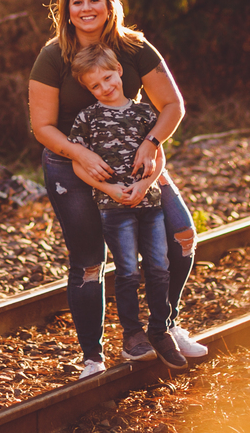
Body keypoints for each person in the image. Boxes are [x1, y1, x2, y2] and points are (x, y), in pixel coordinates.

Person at [28, 0, 207, 380]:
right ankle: (92, 356)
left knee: (181, 236)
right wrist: (80, 155)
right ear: (67, 12)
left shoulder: (134, 48)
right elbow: (43, 127)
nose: (87, 8)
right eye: (77, 2)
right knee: (91, 261)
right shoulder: (52, 56)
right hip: (70, 167)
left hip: (136, 161)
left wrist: (151, 144)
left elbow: (172, 106)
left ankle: (166, 325)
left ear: (110, 6)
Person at [67, 44, 185, 369]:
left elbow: (158, 157)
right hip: (114, 207)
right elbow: (79, 164)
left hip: (151, 205)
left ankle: (160, 329)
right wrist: (109, 189)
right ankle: (132, 335)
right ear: (87, 89)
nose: (105, 88)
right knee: (129, 272)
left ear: (119, 71)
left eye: (108, 78)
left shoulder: (146, 113)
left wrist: (145, 184)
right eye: (95, 85)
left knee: (160, 267)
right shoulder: (87, 119)